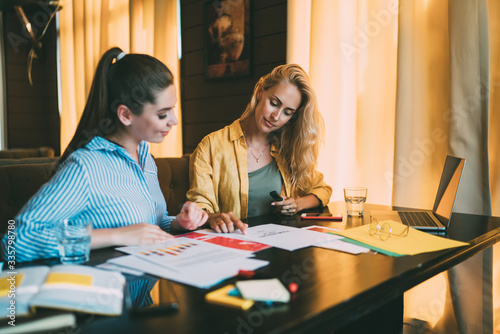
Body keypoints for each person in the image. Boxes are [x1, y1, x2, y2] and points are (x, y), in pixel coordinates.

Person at [1, 47, 207, 262]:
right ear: (126, 114)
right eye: (163, 114)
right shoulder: (85, 167)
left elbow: (149, 223)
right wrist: (115, 235)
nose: (174, 120)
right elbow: (15, 242)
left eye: (173, 109)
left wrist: (178, 223)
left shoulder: (144, 157)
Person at [187, 64, 332, 234]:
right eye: (274, 103)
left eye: (287, 112)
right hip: (233, 247)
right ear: (260, 92)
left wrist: (296, 204)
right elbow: (200, 207)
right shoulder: (211, 146)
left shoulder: (287, 149)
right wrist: (213, 217)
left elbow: (323, 190)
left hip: (281, 246)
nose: (276, 116)